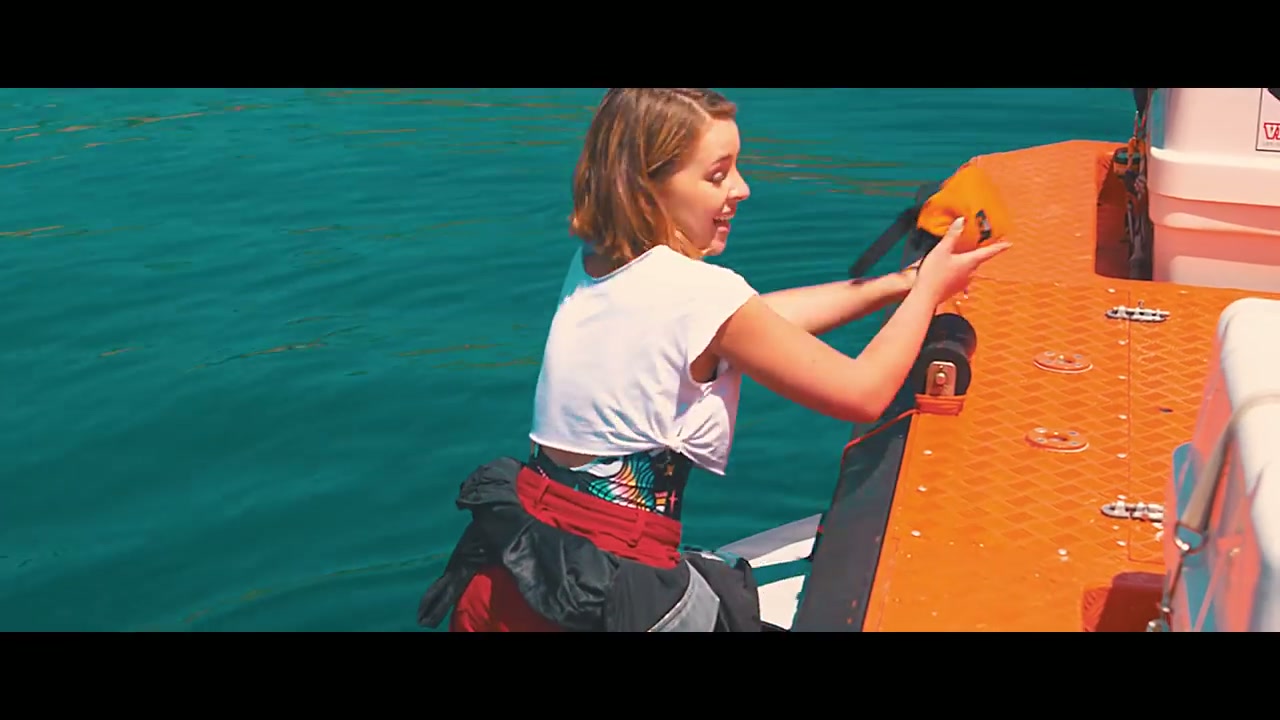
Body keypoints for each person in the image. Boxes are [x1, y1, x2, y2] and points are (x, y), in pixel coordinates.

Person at [425, 88, 1010, 632]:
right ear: (647, 187)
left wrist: (896, 285)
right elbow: (862, 392)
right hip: (607, 593)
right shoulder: (698, 294)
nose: (742, 189)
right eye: (717, 174)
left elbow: (751, 323)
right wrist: (930, 291)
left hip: (517, 572)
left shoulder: (600, 262)